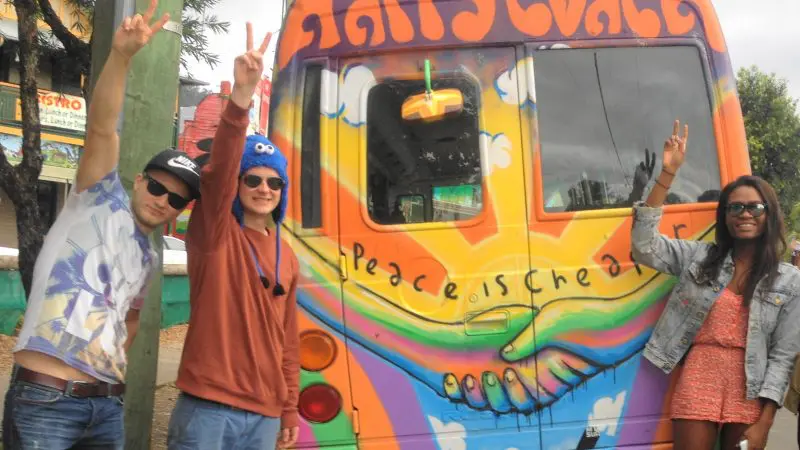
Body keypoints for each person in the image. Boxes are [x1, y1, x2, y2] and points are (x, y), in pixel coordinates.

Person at [1, 1, 201, 448]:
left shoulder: (150, 257)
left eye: (176, 198)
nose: (162, 200)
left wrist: (106, 362)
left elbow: (129, 321)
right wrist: (121, 57)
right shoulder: (95, 198)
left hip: (107, 405)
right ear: (139, 181)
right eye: (156, 187)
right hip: (46, 399)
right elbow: (102, 129)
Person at [166, 23, 301, 450]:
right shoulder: (216, 234)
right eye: (253, 179)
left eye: (274, 182)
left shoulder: (289, 257)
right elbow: (218, 172)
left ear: (282, 192)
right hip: (208, 410)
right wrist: (242, 96)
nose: (264, 188)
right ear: (238, 186)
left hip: (263, 416)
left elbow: (288, 342)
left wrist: (289, 407)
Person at [631, 120, 800, 450]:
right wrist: (667, 175)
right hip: (698, 377)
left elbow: (782, 357)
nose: (744, 213)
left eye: (754, 207)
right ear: (725, 216)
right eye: (735, 207)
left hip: (750, 386)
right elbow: (644, 246)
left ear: (769, 215)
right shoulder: (699, 257)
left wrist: (764, 423)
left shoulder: (789, 281)